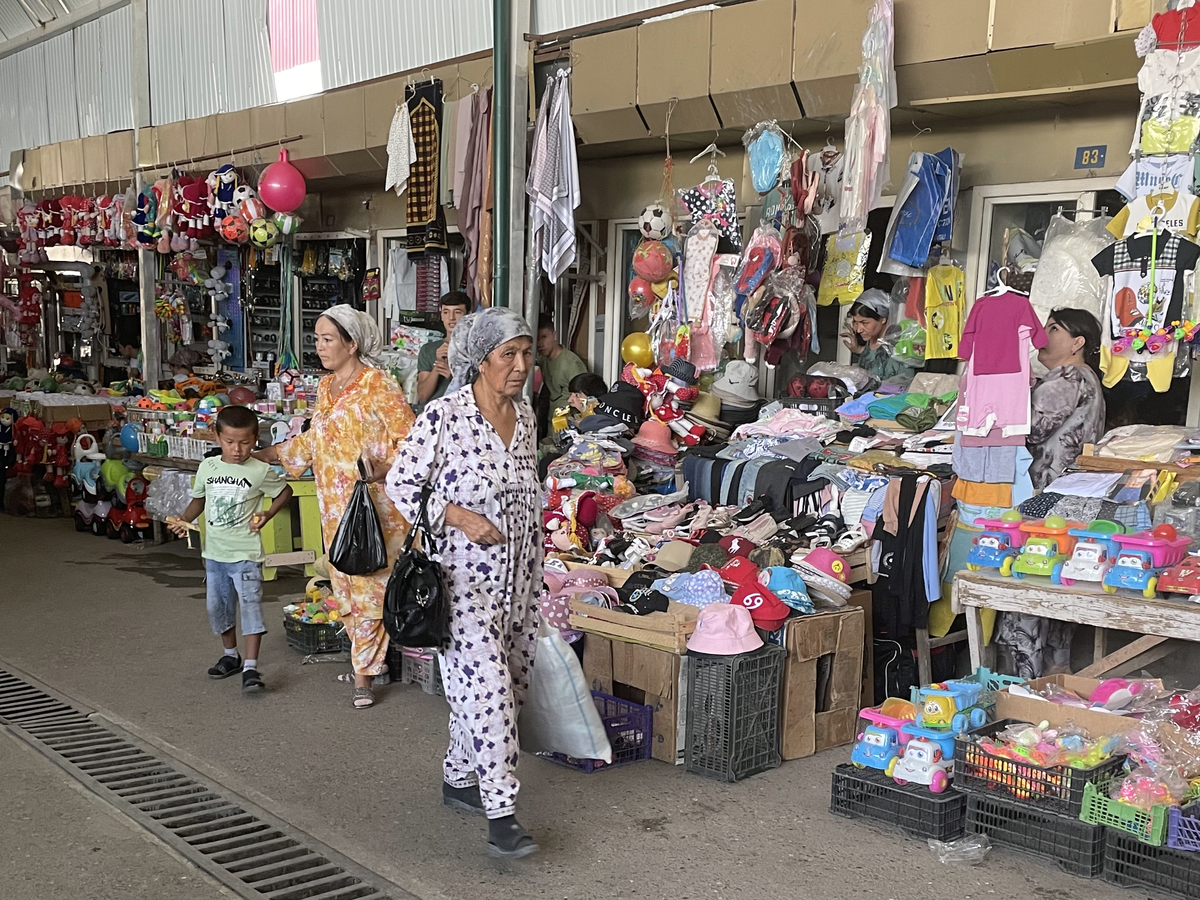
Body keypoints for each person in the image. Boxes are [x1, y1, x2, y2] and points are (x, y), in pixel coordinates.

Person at [385, 306, 542, 860]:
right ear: (480, 359)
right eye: (508, 354)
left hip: (520, 585)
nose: (520, 364)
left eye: (526, 352)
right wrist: (460, 517)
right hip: (461, 587)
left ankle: (459, 777)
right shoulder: (443, 416)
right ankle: (503, 817)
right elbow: (401, 485)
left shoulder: (526, 418)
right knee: (491, 696)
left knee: (507, 690)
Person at [254, 305, 415, 709]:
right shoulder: (326, 388)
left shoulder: (379, 385)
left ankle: (365, 675)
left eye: (328, 339)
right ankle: (367, 659)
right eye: (317, 338)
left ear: (352, 343)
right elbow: (312, 442)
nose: (320, 346)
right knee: (342, 581)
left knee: (370, 587)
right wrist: (265, 453)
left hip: (375, 507)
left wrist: (384, 467)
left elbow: (414, 444)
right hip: (334, 506)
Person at [997, 307, 1106, 678]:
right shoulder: (1086, 379)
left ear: (1078, 343)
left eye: (1054, 329)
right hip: (1071, 503)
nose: (1043, 335)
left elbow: (1029, 425)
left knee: (1026, 596)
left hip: (1049, 499)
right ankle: (1054, 686)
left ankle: (1021, 689)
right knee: (1054, 601)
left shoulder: (1070, 375)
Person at [169, 406, 293, 694]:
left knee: (250, 607)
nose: (237, 450)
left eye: (245, 442)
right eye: (230, 442)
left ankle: (251, 667)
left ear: (255, 439)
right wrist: (185, 519)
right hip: (214, 554)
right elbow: (199, 499)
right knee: (218, 607)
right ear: (217, 437)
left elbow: (285, 491)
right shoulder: (208, 468)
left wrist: (267, 514)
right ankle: (230, 656)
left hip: (246, 554)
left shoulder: (260, 470)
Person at [416, 291, 472, 414]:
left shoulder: (474, 349)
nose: (451, 318)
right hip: (432, 417)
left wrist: (454, 377)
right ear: (441, 315)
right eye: (446, 312)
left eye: (457, 312)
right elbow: (422, 396)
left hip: (463, 415)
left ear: (468, 315)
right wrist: (437, 367)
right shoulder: (428, 349)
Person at [841, 289, 913, 384]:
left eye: (864, 323)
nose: (858, 330)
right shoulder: (870, 340)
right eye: (855, 322)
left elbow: (906, 384)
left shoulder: (899, 346)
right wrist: (858, 350)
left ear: (883, 319)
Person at [536, 314, 588, 414]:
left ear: (554, 335)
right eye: (537, 339)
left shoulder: (571, 363)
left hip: (568, 424)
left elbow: (584, 399)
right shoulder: (543, 360)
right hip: (552, 422)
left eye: (544, 337)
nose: (540, 343)